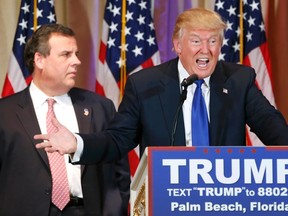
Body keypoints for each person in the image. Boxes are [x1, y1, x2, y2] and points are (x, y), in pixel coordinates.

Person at [35, 8, 288, 164]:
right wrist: (77, 144)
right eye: (196, 40)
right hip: (169, 199)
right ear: (177, 45)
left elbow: (273, 128)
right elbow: (118, 140)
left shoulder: (239, 80)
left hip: (223, 198)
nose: (205, 50)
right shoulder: (145, 84)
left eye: (213, 41)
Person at [0, 23, 130, 216]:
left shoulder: (100, 107)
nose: (76, 61)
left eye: (76, 54)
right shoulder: (5, 113)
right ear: (40, 60)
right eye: (66, 54)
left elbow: (119, 172)